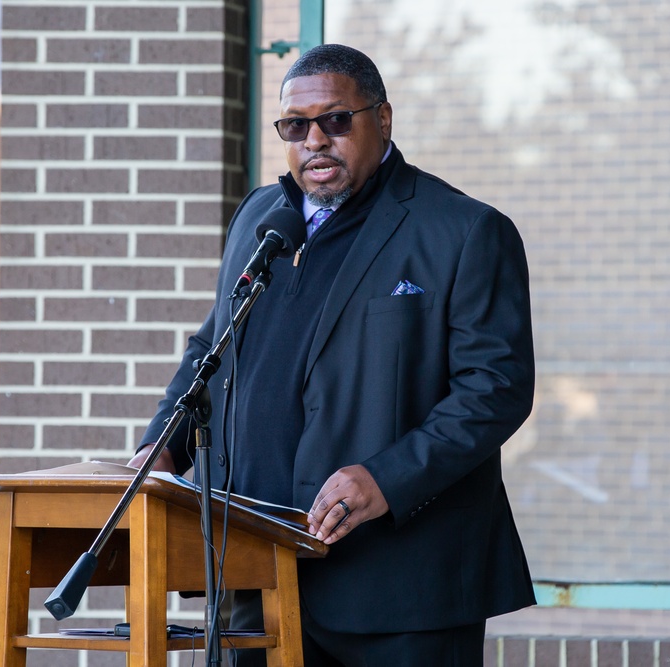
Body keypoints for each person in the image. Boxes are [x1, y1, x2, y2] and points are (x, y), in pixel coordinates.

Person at [130, 43, 535, 666]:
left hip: (402, 591)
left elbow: (495, 390)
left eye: (336, 120)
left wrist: (386, 479)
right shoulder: (259, 217)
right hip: (257, 576)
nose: (314, 139)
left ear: (384, 120)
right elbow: (212, 347)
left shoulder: (463, 231)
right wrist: (163, 445)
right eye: (296, 126)